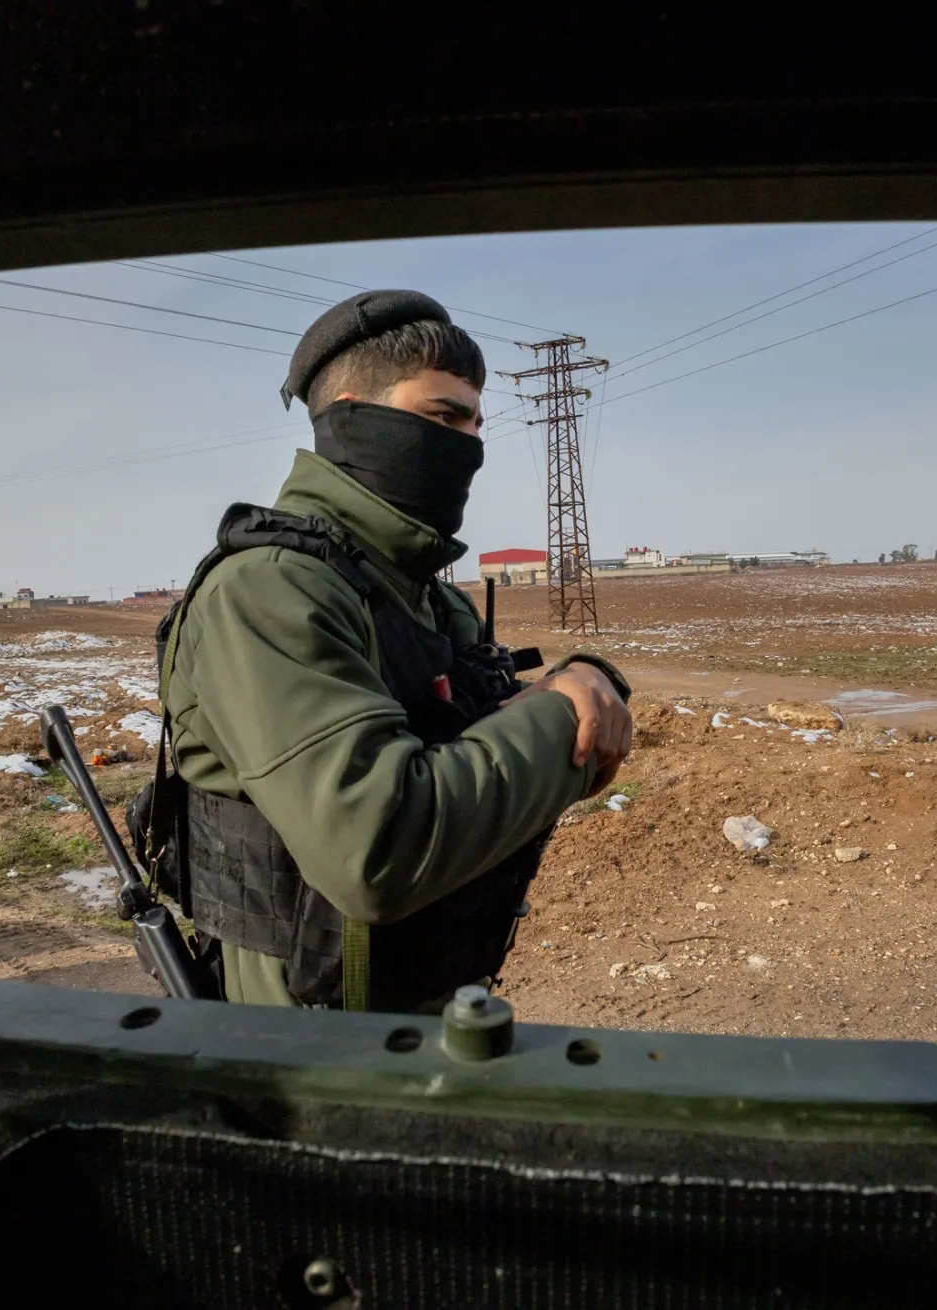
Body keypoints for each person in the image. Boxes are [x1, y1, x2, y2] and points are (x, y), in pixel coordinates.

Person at [143, 290, 633, 1013]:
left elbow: (493, 747)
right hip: (306, 1047)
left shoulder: (428, 597)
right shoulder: (270, 591)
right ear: (352, 414)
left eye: (474, 421)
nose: (468, 445)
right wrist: (570, 719)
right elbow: (375, 850)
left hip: (425, 1010)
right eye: (442, 417)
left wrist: (584, 678)